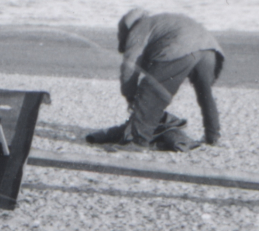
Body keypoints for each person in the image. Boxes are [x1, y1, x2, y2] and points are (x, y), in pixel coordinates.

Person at [85, 8, 225, 151]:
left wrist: (131, 96)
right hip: (210, 49)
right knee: (205, 93)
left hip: (182, 47)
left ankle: (139, 142)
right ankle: (212, 136)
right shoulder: (159, 21)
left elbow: (129, 66)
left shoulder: (139, 28)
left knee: (150, 91)